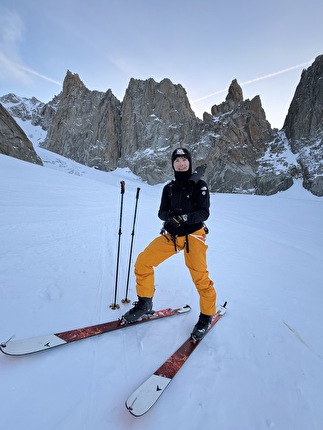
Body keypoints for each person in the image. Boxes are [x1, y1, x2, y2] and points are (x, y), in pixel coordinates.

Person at [123, 147, 216, 340]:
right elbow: (161, 213)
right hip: (172, 236)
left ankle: (206, 316)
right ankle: (145, 304)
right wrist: (172, 217)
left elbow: (204, 213)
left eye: (184, 160)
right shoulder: (169, 188)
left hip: (194, 236)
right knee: (143, 262)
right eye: (177, 160)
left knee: (200, 277)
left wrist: (183, 217)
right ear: (173, 164)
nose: (181, 163)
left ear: (189, 162)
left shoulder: (200, 185)